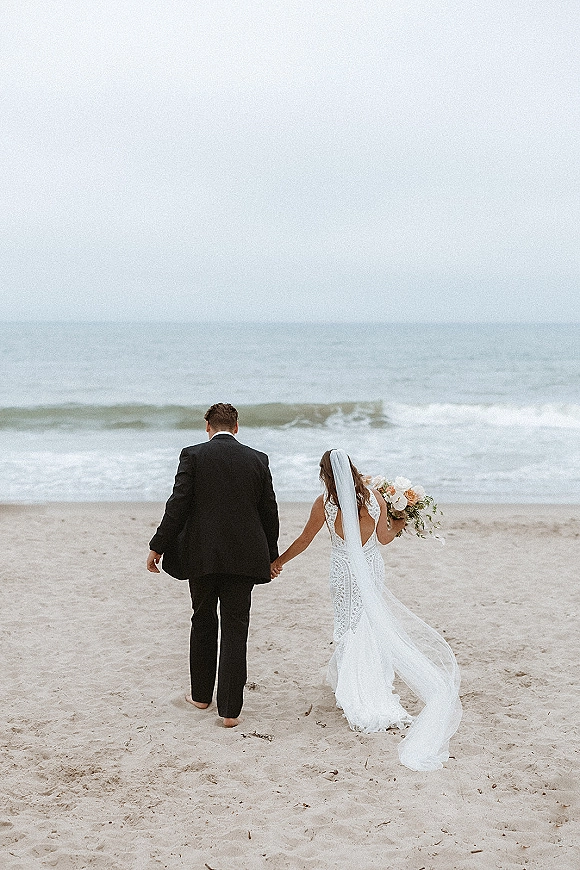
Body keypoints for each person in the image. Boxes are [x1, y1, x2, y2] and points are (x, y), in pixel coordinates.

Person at [271, 448, 462, 771]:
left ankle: (353, 689)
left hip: (343, 571)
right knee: (370, 625)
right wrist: (402, 520)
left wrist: (278, 562)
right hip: (371, 566)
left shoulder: (325, 504)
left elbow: (305, 539)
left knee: (348, 626)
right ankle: (368, 685)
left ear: (326, 475)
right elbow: (385, 538)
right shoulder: (376, 499)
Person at [147, 403, 279, 728]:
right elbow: (269, 512)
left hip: (202, 557)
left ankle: (202, 696)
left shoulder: (192, 455)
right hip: (244, 558)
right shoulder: (257, 459)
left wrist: (157, 545)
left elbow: (177, 505)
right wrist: (271, 555)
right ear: (236, 427)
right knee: (236, 628)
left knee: (203, 620)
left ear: (208, 426)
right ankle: (231, 712)